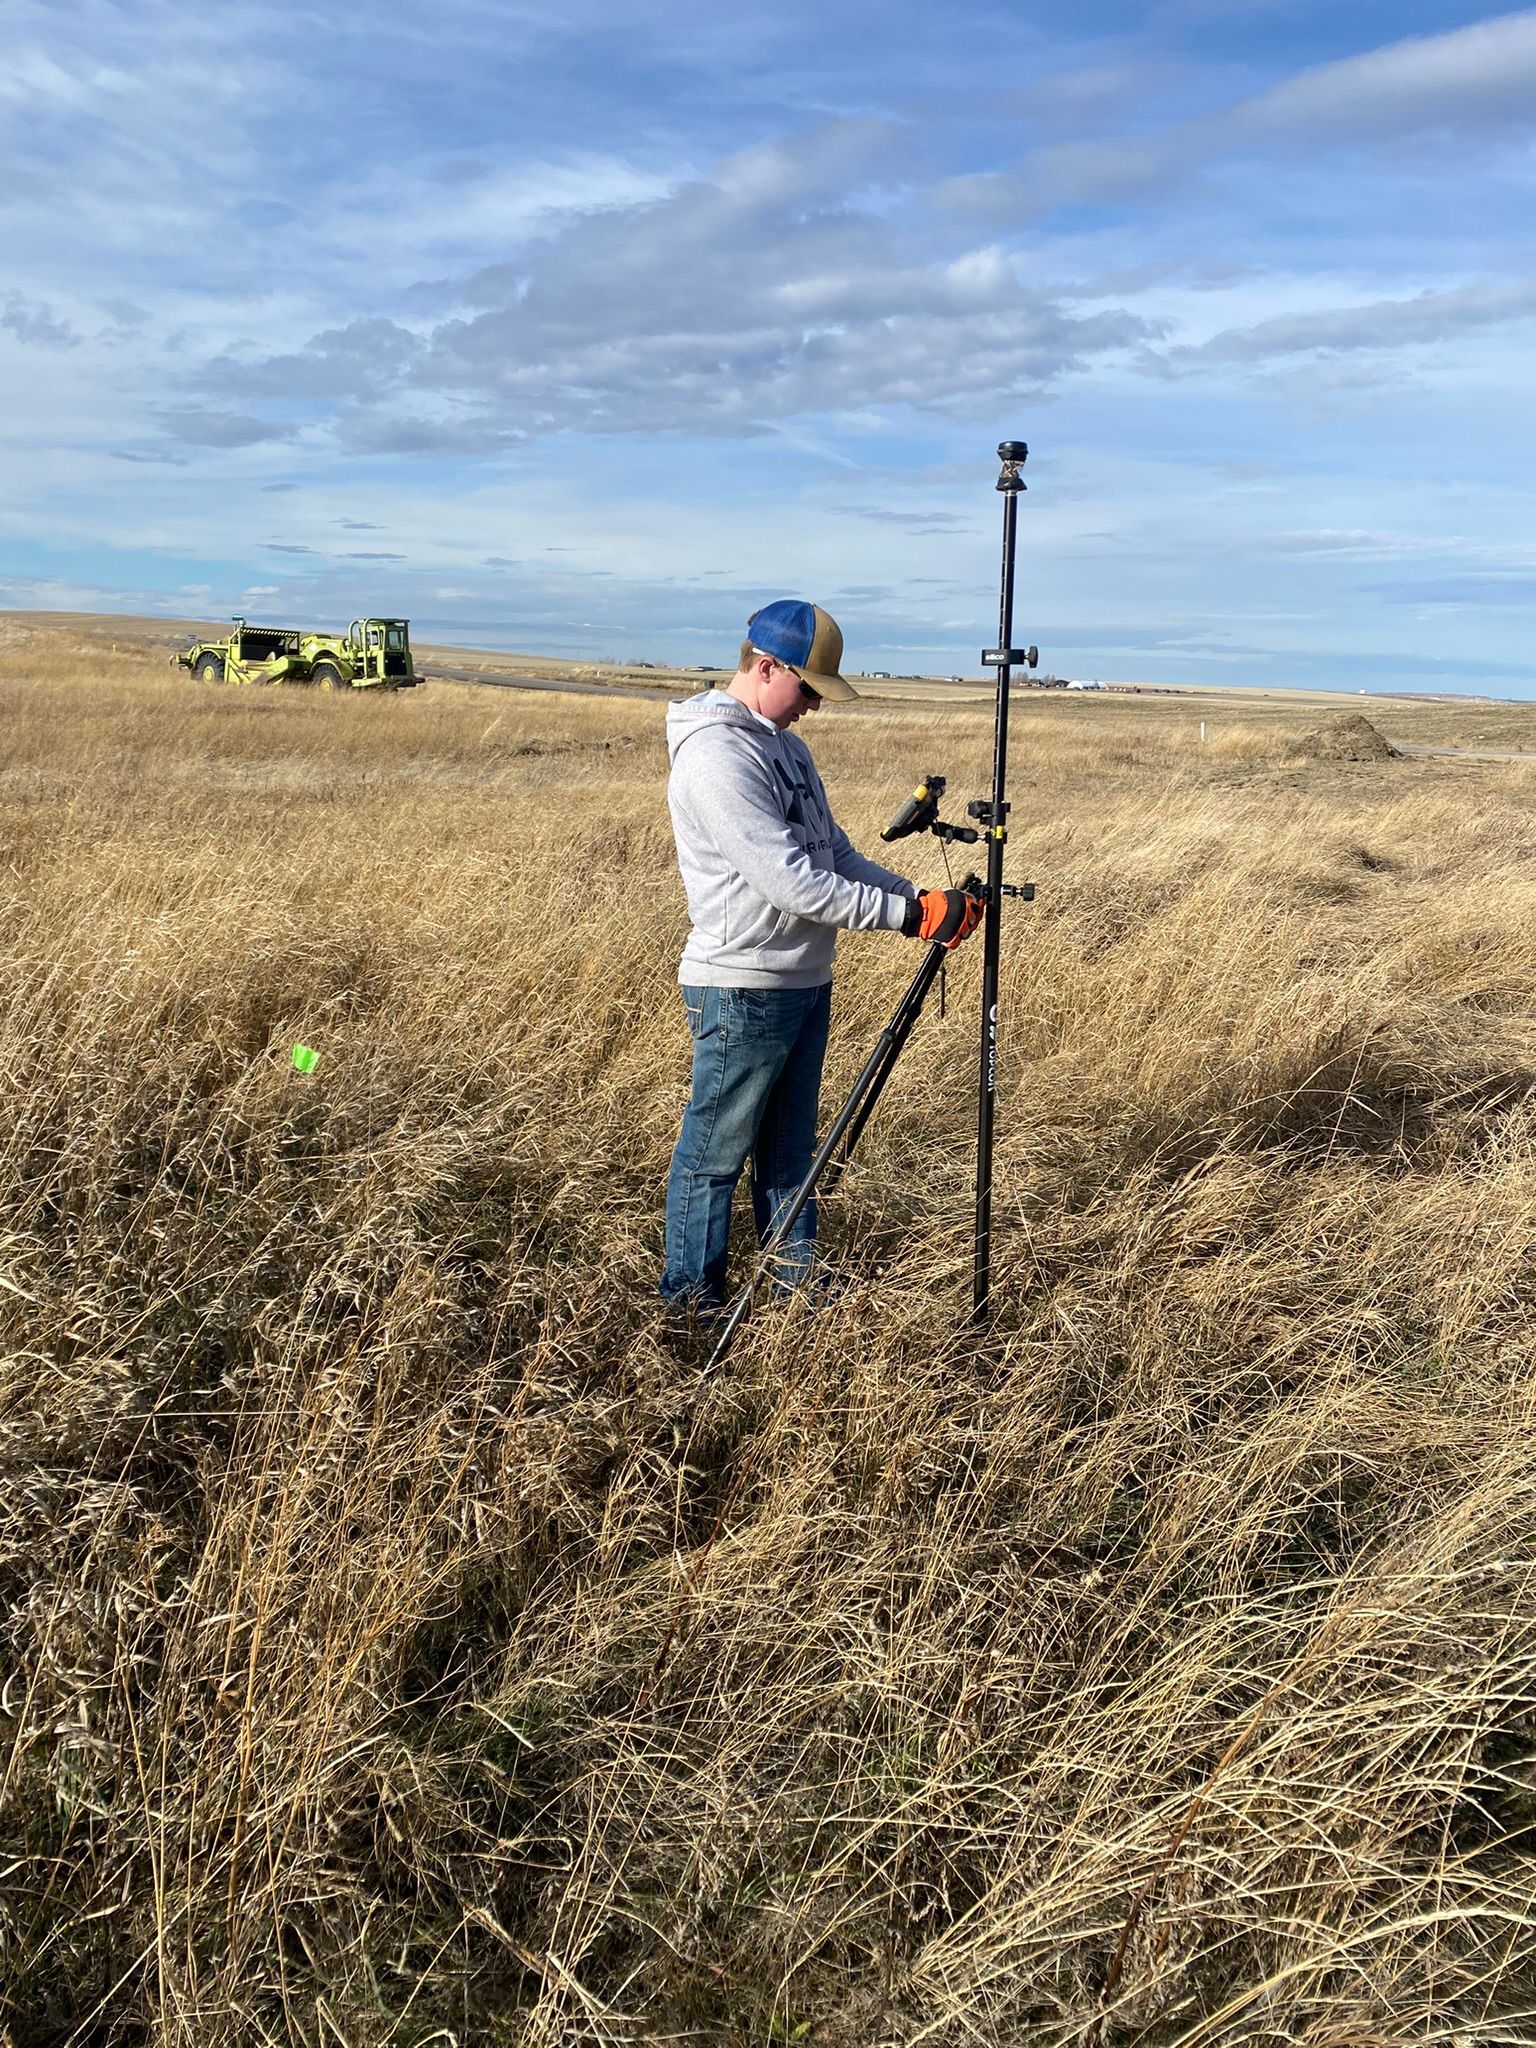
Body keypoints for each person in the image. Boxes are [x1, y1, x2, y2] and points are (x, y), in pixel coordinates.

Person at [659, 598, 983, 1322]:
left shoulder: (786, 747)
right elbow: (790, 884)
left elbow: (833, 854)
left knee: (789, 1151)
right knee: (715, 1155)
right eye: (807, 689)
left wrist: (917, 896)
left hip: (804, 980)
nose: (813, 707)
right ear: (765, 665)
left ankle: (795, 1290)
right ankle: (690, 1310)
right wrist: (908, 917)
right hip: (743, 985)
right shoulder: (716, 755)